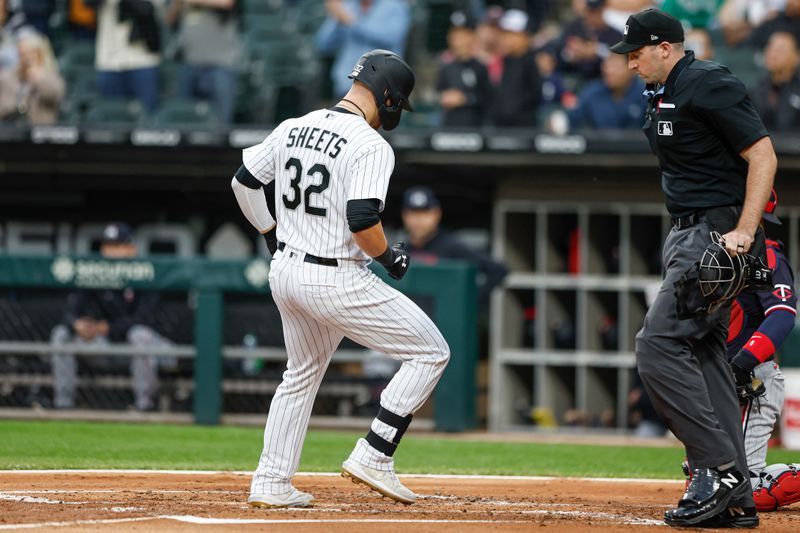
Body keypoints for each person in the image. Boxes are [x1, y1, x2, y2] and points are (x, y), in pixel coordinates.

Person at [231, 49, 450, 508]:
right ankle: (375, 453)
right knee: (431, 352)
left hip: (286, 272)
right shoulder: (370, 145)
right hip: (337, 278)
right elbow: (362, 219)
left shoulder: (294, 125)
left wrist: (269, 231)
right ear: (387, 96)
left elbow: (243, 182)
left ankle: (271, 481)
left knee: (300, 374)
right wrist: (391, 259)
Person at [611, 7, 777, 528]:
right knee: (705, 355)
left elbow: (764, 155)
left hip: (716, 233)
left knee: (656, 345)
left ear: (665, 47)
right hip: (688, 231)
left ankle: (720, 467)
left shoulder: (707, 81)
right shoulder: (661, 91)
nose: (630, 64)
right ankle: (738, 499)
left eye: (636, 53)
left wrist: (745, 232)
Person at [723, 190, 800, 512]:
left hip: (752, 380)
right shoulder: (709, 254)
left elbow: (782, 314)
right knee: (711, 483)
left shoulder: (768, 256)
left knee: (741, 494)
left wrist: (742, 363)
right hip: (722, 378)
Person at [50, 222, 171, 411]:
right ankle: (63, 406)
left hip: (156, 349)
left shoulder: (146, 274)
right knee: (61, 334)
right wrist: (78, 325)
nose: (111, 252)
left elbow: (144, 320)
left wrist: (106, 327)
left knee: (139, 335)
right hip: (108, 347)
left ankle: (145, 407)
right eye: (108, 246)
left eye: (117, 246)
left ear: (131, 249)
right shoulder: (95, 274)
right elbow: (69, 311)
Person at [401, 186, 508, 308]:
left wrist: (465, 305)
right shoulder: (401, 251)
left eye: (425, 213)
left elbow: (497, 270)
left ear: (436, 214)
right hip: (410, 322)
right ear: (405, 215)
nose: (418, 219)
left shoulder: (451, 246)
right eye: (413, 213)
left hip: (443, 322)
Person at [315, 0, 410, 98]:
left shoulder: (395, 7)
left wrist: (350, 21)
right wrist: (336, 18)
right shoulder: (348, 6)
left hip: (383, 88)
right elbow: (324, 44)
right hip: (346, 86)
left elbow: (390, 38)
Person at [165, 0, 241, 124]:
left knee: (221, 123)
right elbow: (168, 20)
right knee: (183, 121)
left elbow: (227, 3)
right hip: (189, 64)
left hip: (220, 65)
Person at [89, 0, 162, 113]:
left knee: (147, 118)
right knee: (111, 117)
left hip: (143, 59)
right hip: (109, 60)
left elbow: (147, 7)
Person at [487, 8, 542, 127]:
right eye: (505, 34)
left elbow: (535, 95)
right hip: (501, 126)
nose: (507, 39)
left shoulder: (531, 61)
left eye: (512, 34)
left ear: (525, 36)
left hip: (524, 127)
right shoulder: (504, 61)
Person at [436, 10, 491, 127]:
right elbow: (438, 94)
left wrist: (465, 99)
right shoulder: (446, 67)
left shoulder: (480, 67)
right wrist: (443, 98)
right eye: (454, 33)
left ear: (471, 36)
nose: (456, 38)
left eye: (462, 34)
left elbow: (489, 98)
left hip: (475, 129)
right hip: (449, 128)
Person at [0, 30, 65, 125]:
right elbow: (3, 108)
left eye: (31, 55)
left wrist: (38, 79)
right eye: (23, 55)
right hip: (10, 132)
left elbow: (55, 96)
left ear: (41, 55)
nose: (27, 60)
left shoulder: (52, 78)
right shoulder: (7, 78)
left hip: (42, 133)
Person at [568, 52, 645, 129]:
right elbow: (574, 120)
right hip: (598, 140)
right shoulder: (591, 92)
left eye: (616, 66)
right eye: (607, 65)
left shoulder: (646, 95)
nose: (609, 71)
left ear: (632, 70)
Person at [557, 0, 623, 81]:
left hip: (601, 80)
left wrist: (597, 50)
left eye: (595, 12)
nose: (591, 16)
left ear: (603, 10)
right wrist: (571, 54)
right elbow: (559, 54)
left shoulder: (615, 34)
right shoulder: (575, 27)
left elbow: (620, 59)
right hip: (572, 76)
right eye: (588, 11)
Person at [750, 31, 800, 133]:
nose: (773, 53)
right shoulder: (756, 89)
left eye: (780, 49)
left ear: (796, 57)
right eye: (770, 47)